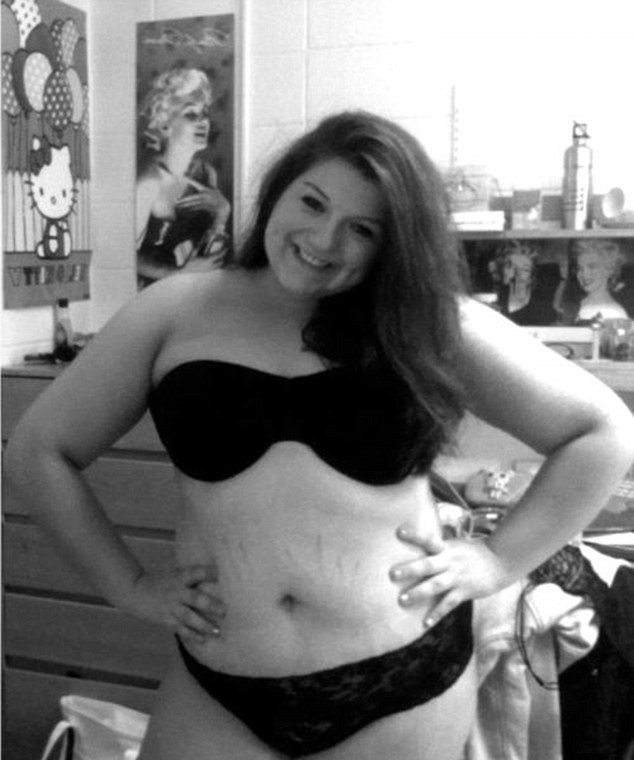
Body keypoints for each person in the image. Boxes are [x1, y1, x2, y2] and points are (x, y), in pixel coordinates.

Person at [6, 111, 634, 760]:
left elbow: (603, 433)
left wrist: (498, 562)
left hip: (401, 685)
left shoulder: (426, 324)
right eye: (312, 202)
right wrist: (129, 586)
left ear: (393, 245)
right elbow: (37, 452)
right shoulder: (174, 312)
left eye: (362, 229)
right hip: (217, 689)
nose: (324, 239)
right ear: (279, 190)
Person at [136, 66, 231, 288]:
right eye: (191, 115)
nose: (203, 121)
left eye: (204, 113)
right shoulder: (149, 183)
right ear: (165, 124)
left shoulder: (205, 173)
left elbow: (210, 255)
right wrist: (180, 274)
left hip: (195, 294)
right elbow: (128, 258)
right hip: (153, 296)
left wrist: (222, 214)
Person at [558, 238, 630, 324]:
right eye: (580, 268)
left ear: (609, 269)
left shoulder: (614, 313)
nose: (584, 274)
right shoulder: (580, 304)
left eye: (592, 267)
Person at [490, 239, 558, 325]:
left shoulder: (543, 312)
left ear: (532, 276)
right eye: (511, 267)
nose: (517, 273)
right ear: (501, 270)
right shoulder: (493, 306)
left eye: (525, 270)